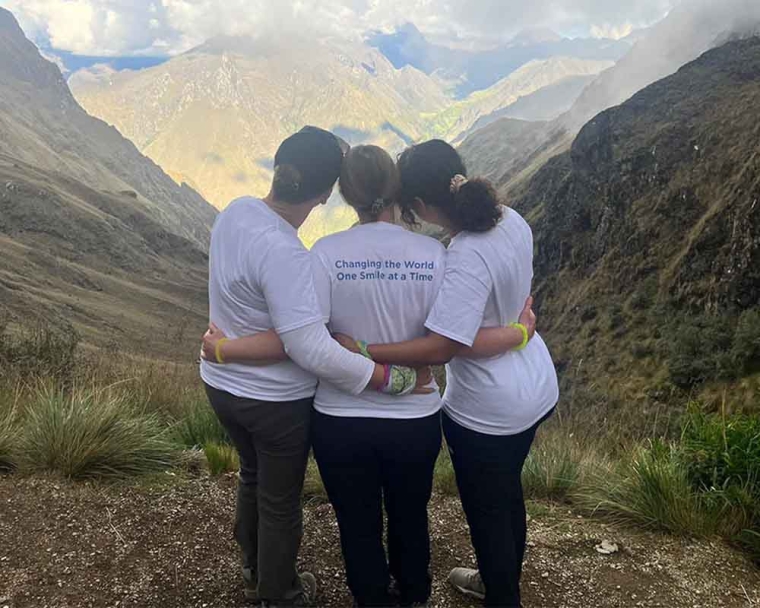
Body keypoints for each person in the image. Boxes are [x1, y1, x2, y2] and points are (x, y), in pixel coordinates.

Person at [202, 145, 537, 608]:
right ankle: (414, 593)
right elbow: (450, 338)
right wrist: (516, 332)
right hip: (416, 418)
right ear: (398, 192)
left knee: (356, 522)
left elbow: (310, 334)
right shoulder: (436, 255)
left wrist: (227, 347)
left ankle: (370, 597)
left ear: (345, 196)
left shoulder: (323, 253)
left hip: (341, 417)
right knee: (409, 515)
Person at [200, 128, 424, 608]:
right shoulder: (287, 254)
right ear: (325, 195)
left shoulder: (237, 210)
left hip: (221, 389)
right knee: (279, 499)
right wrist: (387, 378)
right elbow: (309, 347)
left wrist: (223, 352)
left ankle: (253, 566)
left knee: (251, 474)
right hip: (273, 403)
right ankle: (280, 593)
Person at [338, 140, 560, 608]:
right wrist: (519, 333)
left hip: (489, 409)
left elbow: (444, 346)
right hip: (536, 385)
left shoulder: (464, 255)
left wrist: (364, 349)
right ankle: (497, 579)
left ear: (418, 205)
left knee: (489, 514)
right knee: (506, 495)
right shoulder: (510, 218)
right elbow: (507, 304)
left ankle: (502, 593)